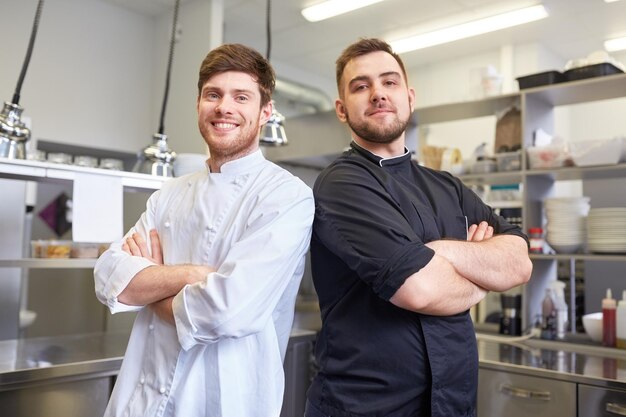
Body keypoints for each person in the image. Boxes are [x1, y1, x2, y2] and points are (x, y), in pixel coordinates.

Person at [305, 38, 533, 417]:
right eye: (361, 86)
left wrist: (439, 253)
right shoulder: (341, 183)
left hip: (451, 404)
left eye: (389, 82)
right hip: (366, 406)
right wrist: (482, 277)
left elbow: (520, 264)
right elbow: (421, 289)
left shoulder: (447, 186)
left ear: (410, 97)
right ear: (342, 110)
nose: (378, 93)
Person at [94, 43, 314, 417]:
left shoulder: (287, 196)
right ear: (198, 104)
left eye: (240, 97)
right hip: (140, 400)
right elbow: (109, 277)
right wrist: (193, 276)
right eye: (213, 94)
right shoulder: (169, 193)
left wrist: (151, 286)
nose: (224, 107)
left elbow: (225, 312)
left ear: (265, 112)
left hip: (225, 401)